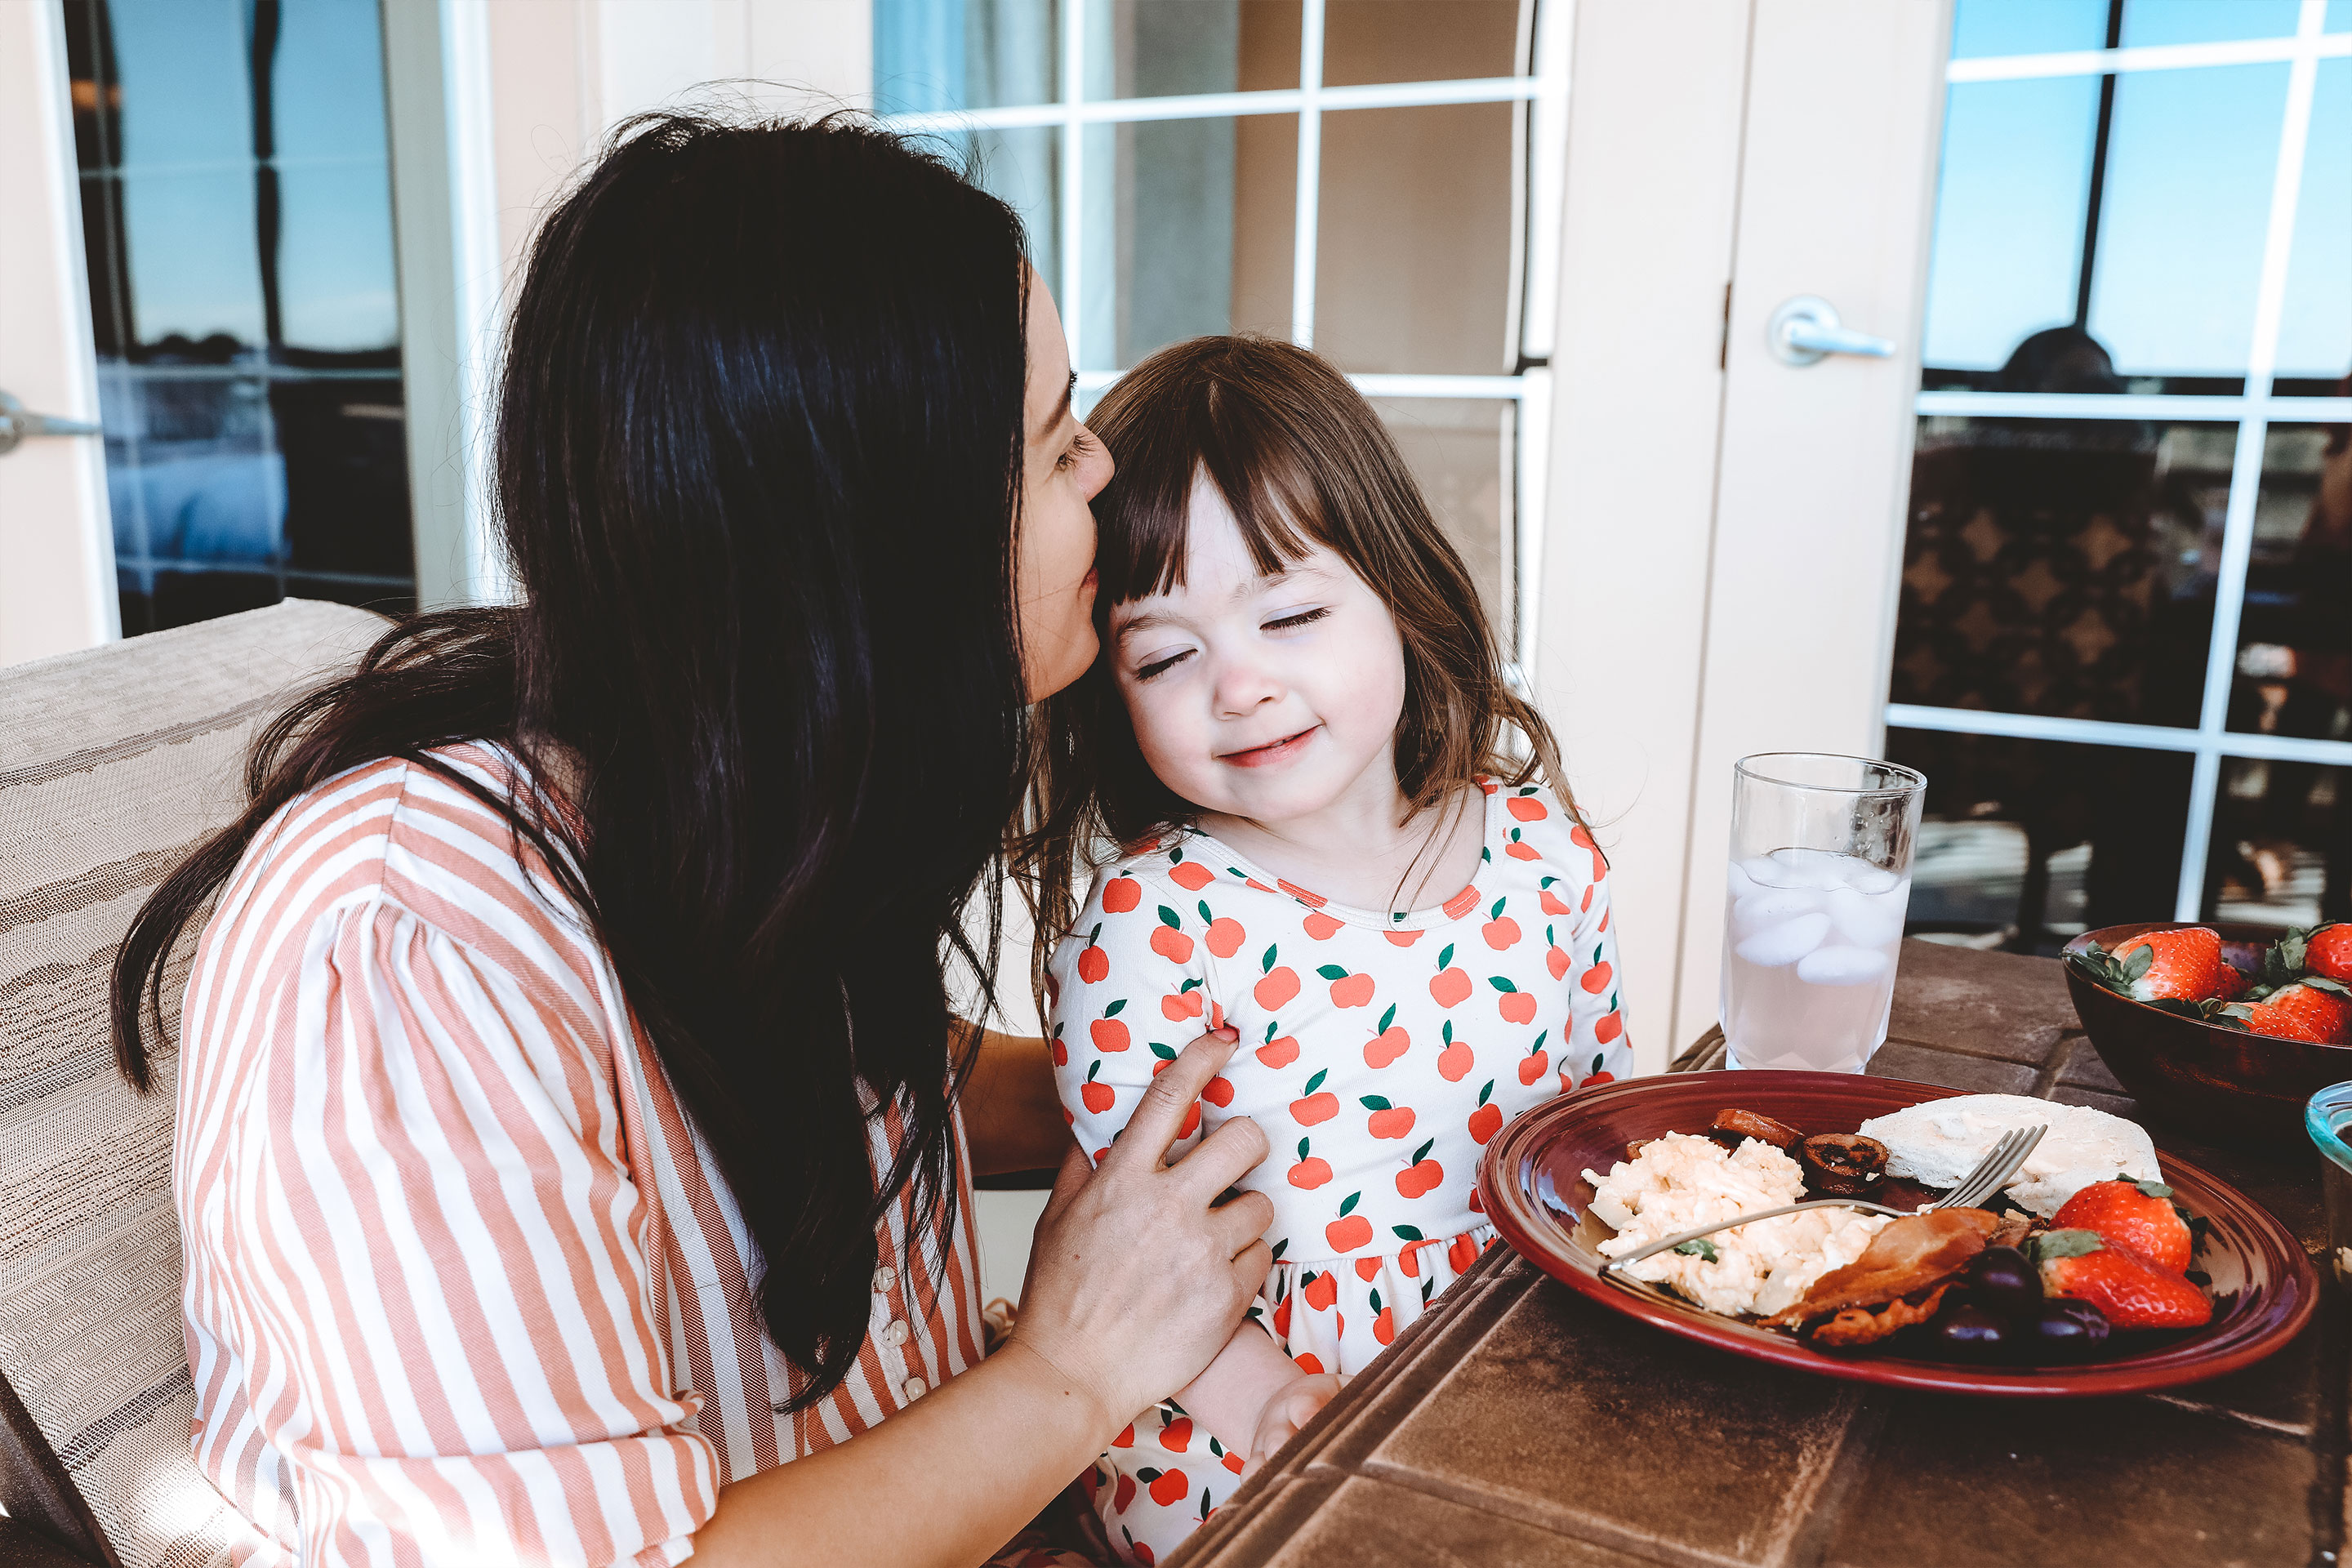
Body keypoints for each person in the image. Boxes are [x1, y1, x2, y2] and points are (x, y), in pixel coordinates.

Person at [109, 114, 1277, 1568]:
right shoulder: (411, 952)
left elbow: (798, 1088)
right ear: (869, 545)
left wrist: (1200, 1085)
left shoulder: (727, 780)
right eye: (1049, 448)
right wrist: (1073, 1368)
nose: (1104, 469)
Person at [1016, 336, 1632, 1564]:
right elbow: (1121, 1255)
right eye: (1167, 654)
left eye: (1291, 615)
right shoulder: (1157, 927)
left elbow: (1597, 1134)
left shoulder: (1543, 856)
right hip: (1240, 1427)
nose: (1239, 686)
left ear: (1403, 596)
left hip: (1508, 1372)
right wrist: (1271, 1403)